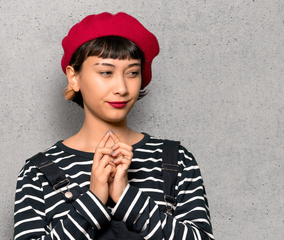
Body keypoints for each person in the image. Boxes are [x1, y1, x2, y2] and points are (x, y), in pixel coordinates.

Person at [14, 12, 214, 240]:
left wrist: (126, 197)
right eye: (106, 72)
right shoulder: (37, 172)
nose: (122, 87)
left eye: (132, 73)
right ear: (74, 77)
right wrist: (94, 199)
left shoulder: (176, 160)